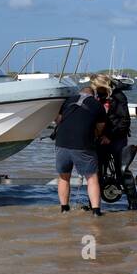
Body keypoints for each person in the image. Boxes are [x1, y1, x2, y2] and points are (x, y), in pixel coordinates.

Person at [54, 80, 106, 215]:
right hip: (82, 144)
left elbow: (58, 120)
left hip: (61, 143)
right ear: (93, 96)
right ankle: (96, 211)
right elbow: (100, 128)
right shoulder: (97, 105)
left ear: (80, 93)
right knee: (92, 178)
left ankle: (64, 209)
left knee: (64, 177)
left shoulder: (68, 101)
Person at [95, 74, 135, 209]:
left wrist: (109, 137)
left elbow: (125, 121)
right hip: (101, 138)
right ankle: (95, 205)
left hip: (117, 138)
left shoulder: (119, 97)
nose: (94, 89)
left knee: (122, 170)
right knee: (97, 171)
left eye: (96, 87)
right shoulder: (99, 96)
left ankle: (133, 205)